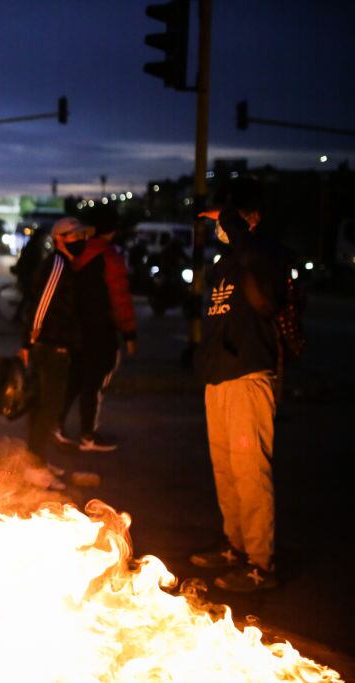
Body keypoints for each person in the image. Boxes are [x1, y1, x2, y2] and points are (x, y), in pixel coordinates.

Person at [190, 177, 287, 592]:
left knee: (250, 472)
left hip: (250, 378)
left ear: (254, 218)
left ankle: (260, 564)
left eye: (232, 217)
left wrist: (233, 221)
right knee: (226, 469)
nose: (223, 226)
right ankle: (235, 545)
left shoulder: (265, 255)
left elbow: (264, 300)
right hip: (220, 378)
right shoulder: (227, 263)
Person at [55, 204, 137, 452]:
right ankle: (88, 436)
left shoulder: (75, 253)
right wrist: (129, 333)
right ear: (113, 230)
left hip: (77, 330)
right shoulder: (109, 256)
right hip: (102, 330)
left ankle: (55, 425)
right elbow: (119, 297)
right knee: (95, 383)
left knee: (76, 379)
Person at [19, 217, 93, 486]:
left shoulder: (63, 265)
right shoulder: (58, 264)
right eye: (75, 236)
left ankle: (37, 461)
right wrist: (29, 342)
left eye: (82, 235)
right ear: (60, 240)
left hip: (54, 345)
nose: (81, 241)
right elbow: (41, 306)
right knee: (47, 408)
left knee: (44, 407)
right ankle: (35, 467)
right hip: (49, 347)